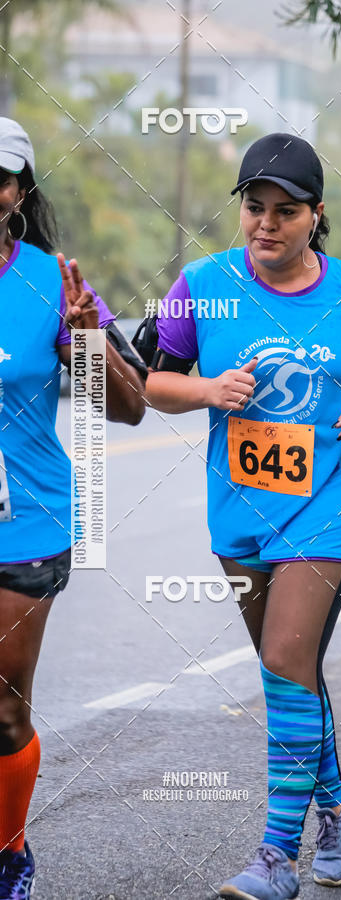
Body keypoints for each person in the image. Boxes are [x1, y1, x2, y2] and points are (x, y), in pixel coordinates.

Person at [143, 132, 341, 900]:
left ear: (316, 215)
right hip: (240, 509)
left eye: (285, 211)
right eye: (254, 208)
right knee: (290, 672)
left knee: (283, 665)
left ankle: (275, 858)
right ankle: (337, 804)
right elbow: (154, 387)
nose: (266, 224)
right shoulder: (202, 284)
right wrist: (207, 391)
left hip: (332, 501)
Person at [0, 117, 147, 899]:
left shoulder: (53, 284)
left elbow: (128, 408)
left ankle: (9, 853)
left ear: (17, 192)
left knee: (2, 712)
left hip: (22, 520)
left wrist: (88, 342)